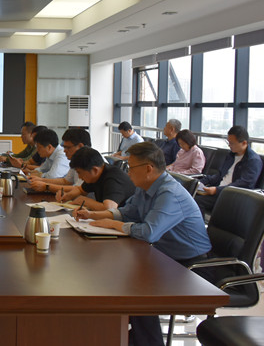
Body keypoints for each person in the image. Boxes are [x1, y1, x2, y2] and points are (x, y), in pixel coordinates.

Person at [74, 142, 212, 346]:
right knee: (115, 275)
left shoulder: (169, 193)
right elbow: (128, 212)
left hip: (191, 265)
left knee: (136, 287)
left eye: (131, 167)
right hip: (164, 255)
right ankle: (124, 335)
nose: (128, 173)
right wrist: (92, 215)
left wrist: (114, 224)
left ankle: (148, 341)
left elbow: (148, 233)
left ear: (148, 168)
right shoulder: (145, 187)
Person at [195, 125, 263, 217]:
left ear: (244, 143)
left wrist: (216, 190)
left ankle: (198, 226)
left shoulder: (253, 161)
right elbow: (219, 176)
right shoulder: (231, 156)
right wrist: (199, 182)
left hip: (232, 196)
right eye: (228, 142)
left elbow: (244, 184)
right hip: (220, 191)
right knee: (191, 194)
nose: (229, 145)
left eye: (232, 143)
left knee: (197, 201)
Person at [63, 146, 135, 210]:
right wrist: (68, 196)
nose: (79, 177)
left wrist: (85, 201)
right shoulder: (96, 174)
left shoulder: (113, 178)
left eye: (79, 173)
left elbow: (109, 209)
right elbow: (81, 190)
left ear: (95, 170)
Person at [27, 128, 91, 197]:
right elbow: (66, 181)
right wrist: (41, 180)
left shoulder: (90, 160)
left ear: (80, 146)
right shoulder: (76, 160)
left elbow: (78, 189)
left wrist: (47, 186)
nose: (64, 151)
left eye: (68, 148)